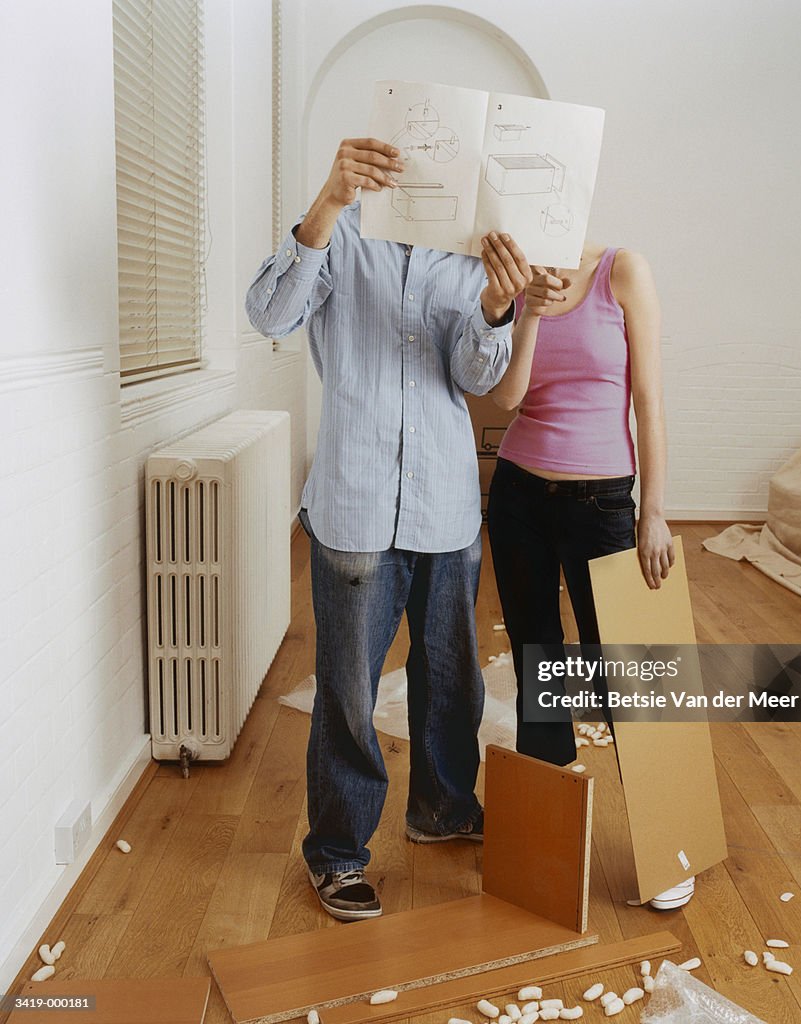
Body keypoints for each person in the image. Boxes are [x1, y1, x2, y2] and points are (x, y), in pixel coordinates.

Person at [246, 137, 532, 921]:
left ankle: (441, 810)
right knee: (347, 689)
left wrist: (497, 308)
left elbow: (476, 379)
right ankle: (337, 854)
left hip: (444, 503)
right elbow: (268, 313)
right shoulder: (340, 232)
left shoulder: (474, 257)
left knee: (454, 680)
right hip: (355, 500)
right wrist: (326, 202)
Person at [485, 242, 694, 910]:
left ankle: (670, 845)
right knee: (537, 662)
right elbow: (505, 400)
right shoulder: (510, 278)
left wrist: (652, 513)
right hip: (517, 496)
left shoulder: (620, 269)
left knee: (629, 672)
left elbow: (648, 399)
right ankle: (546, 839)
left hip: (602, 500)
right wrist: (528, 316)